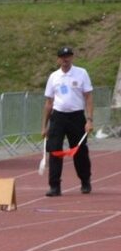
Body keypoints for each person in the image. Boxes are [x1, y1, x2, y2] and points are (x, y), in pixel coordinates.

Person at [42, 46, 94, 197]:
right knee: (55, 150)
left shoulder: (81, 73)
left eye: (68, 56)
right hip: (58, 117)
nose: (66, 59)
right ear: (58, 59)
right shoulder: (54, 77)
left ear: (72, 57)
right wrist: (44, 126)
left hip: (77, 116)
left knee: (80, 150)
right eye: (63, 57)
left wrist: (89, 119)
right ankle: (54, 186)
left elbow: (89, 97)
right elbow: (48, 102)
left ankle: (85, 180)